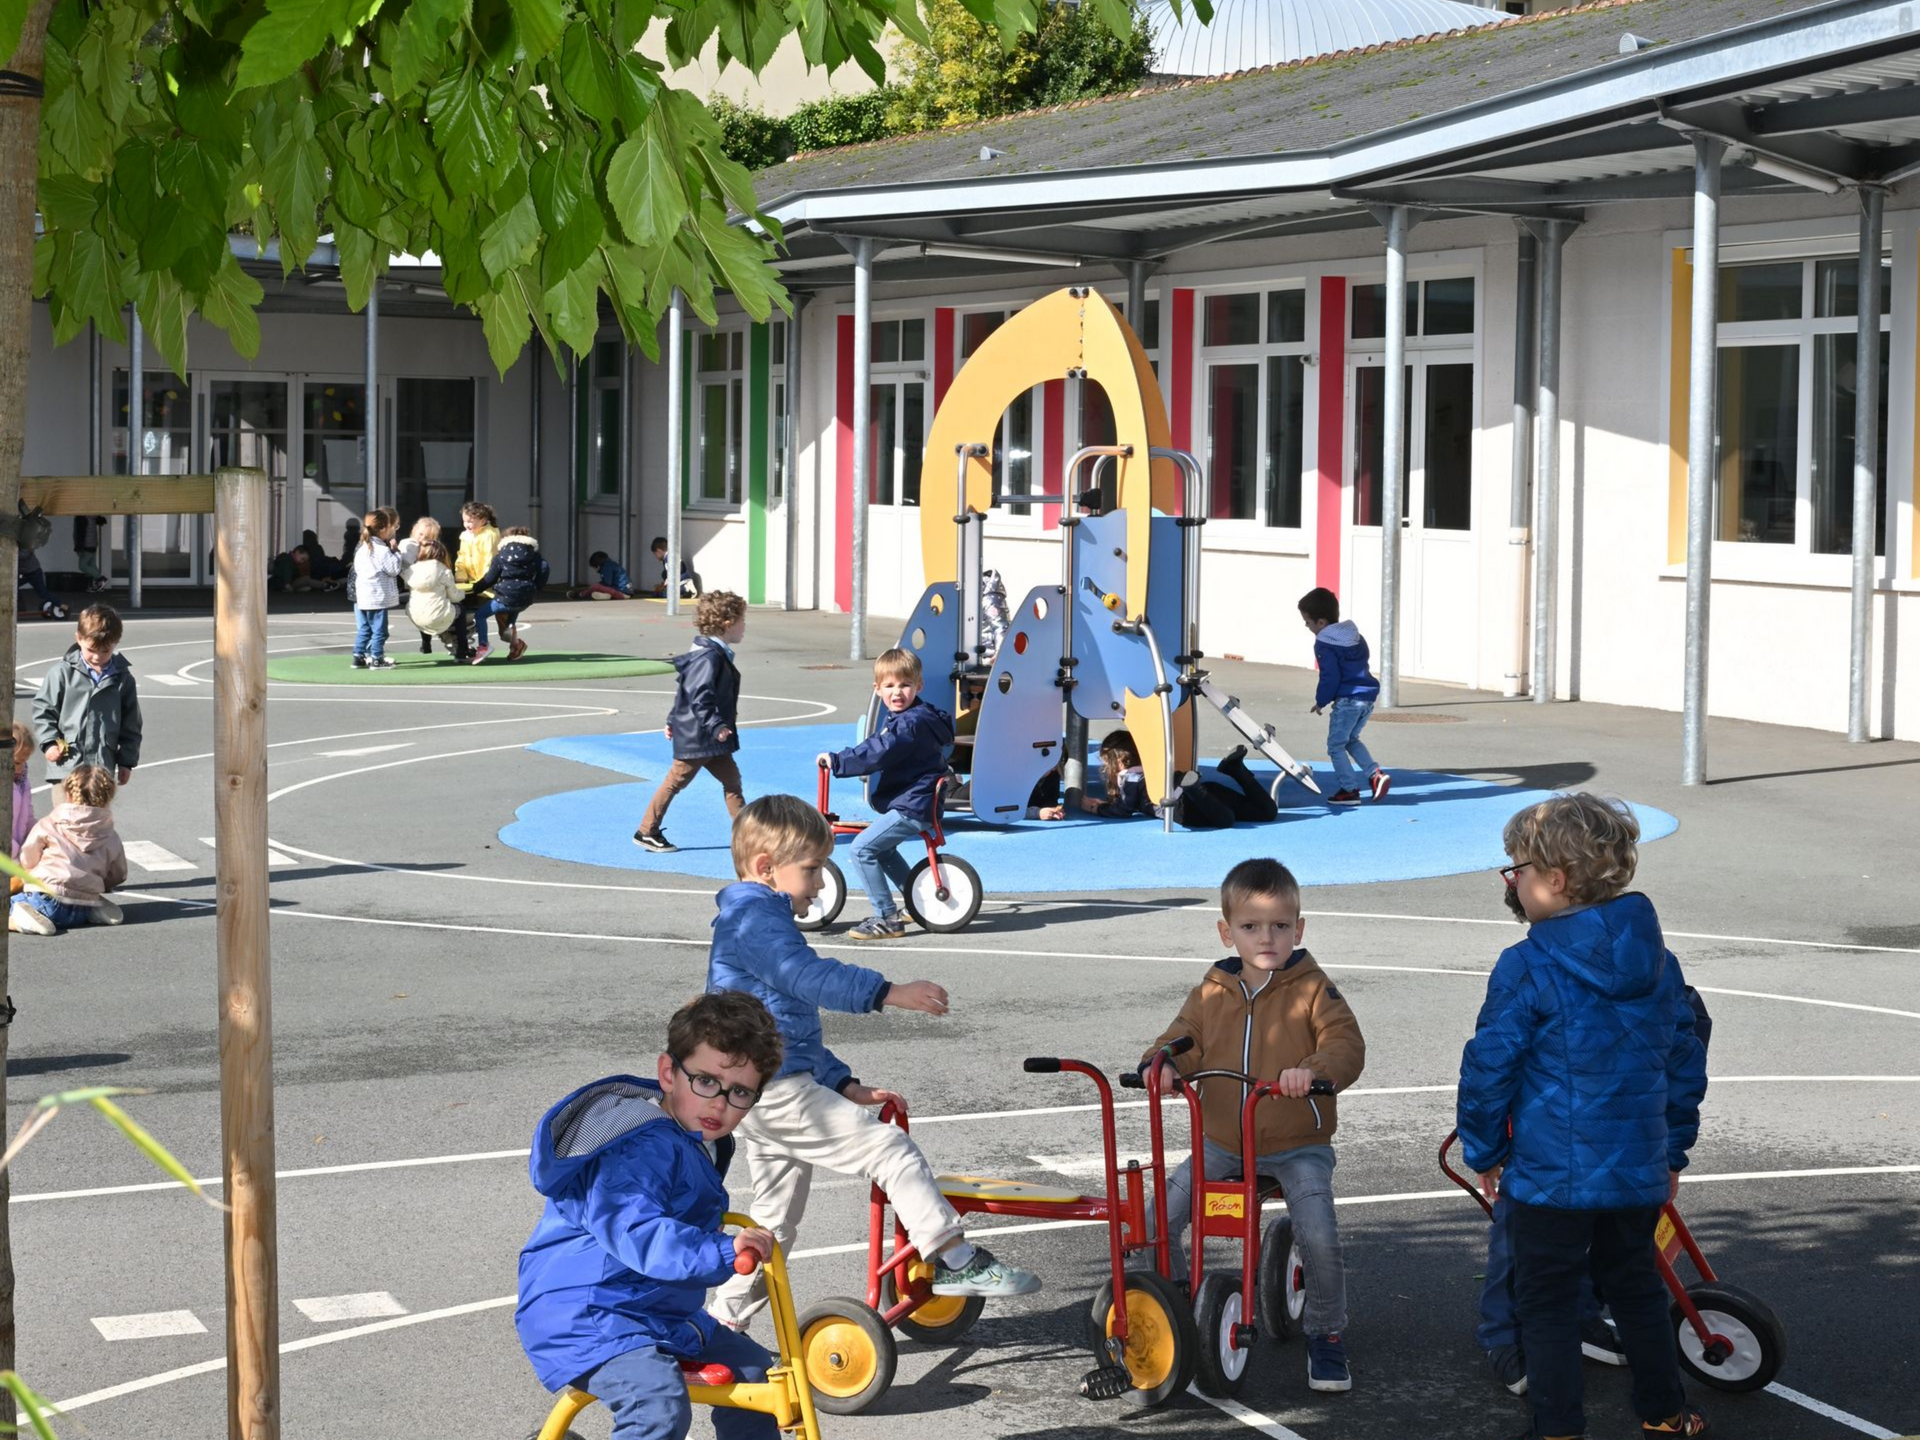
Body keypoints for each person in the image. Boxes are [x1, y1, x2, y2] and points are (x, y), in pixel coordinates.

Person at [706, 794, 1041, 1332]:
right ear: (766, 869)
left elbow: (788, 1024)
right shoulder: (754, 923)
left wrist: (843, 1081)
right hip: (773, 1088)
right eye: (812, 869)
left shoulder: (756, 919)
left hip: (759, 1087)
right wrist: (887, 991)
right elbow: (807, 980)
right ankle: (954, 1258)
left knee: (772, 1222)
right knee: (889, 1151)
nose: (819, 884)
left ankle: (718, 1325)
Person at [1457, 793, 1709, 1440]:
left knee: (1544, 1306)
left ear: (1555, 880)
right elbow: (1684, 1063)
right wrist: (1672, 1152)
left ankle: (1560, 1428)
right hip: (1635, 1170)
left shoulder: (1528, 963)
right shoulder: (1658, 962)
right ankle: (1664, 1414)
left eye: (1517, 870)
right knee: (1636, 1290)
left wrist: (1485, 1152)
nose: (1512, 882)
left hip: (1549, 1176)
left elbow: (1491, 1068)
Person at [514, 990, 785, 1440]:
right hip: (587, 1309)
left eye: (739, 1092)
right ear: (668, 1073)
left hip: (651, 1306)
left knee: (755, 1372)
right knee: (655, 1405)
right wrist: (723, 1249)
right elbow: (638, 1229)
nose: (719, 1103)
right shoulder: (638, 1147)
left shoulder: (696, 1137)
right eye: (706, 1081)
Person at [1142, 857, 1365, 1393]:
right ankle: (1174, 1300)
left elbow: (1345, 1046)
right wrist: (1164, 1064)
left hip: (1297, 1144)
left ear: (1299, 929)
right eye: (1250, 926)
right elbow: (1180, 1038)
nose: (1266, 937)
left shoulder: (1314, 989)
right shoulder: (1212, 991)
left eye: (1279, 926)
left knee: (1318, 1233)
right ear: (1227, 931)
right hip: (1223, 1141)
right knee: (1156, 1217)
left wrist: (1309, 1072)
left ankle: (1327, 1335)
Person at [818, 647, 954, 941]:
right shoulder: (916, 715)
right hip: (918, 799)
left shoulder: (910, 722)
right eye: (890, 686)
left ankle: (887, 917)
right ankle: (917, 899)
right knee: (884, 849)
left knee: (862, 849)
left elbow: (879, 752)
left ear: (919, 685)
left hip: (914, 805)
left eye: (905, 685)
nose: (897, 692)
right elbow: (878, 745)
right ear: (877, 689)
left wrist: (839, 761)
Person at [633, 592, 747, 853]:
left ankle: (745, 835)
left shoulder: (712, 653)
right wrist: (716, 725)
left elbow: (683, 690)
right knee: (675, 781)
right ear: (728, 623)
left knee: (732, 781)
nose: (744, 626)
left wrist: (672, 719)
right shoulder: (709, 657)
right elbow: (699, 695)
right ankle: (646, 830)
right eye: (742, 620)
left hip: (709, 737)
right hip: (701, 736)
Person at [1038, 730, 1275, 831]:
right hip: (1201, 791)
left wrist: (1095, 807)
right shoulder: (1152, 767)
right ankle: (1237, 771)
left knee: (1225, 819)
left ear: (1117, 761)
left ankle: (1192, 788)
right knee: (1267, 812)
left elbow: (1123, 810)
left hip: (1182, 806)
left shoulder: (1130, 777)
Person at [8, 764, 127, 935]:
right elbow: (118, 873)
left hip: (47, 899)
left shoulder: (50, 824)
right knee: (84, 898)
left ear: (69, 795)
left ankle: (23, 918)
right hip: (82, 906)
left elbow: (28, 858)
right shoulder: (111, 835)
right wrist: (97, 886)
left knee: (8, 902)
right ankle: (95, 909)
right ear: (108, 798)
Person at [1298, 586, 1390, 806]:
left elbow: (1330, 675)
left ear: (1321, 622)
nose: (1307, 626)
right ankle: (1374, 774)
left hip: (1348, 700)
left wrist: (1321, 700)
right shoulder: (1355, 636)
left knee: (1335, 745)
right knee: (1350, 740)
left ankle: (1349, 790)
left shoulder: (1324, 642)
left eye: (1308, 622)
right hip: (1366, 697)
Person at [32, 603, 140, 785]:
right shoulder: (61, 673)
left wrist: (126, 762)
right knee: (66, 813)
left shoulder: (123, 678)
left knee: (98, 814)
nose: (97, 657)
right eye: (91, 650)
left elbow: (131, 725)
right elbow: (44, 711)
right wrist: (49, 742)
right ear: (79, 638)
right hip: (67, 766)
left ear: (116, 643)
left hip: (102, 769)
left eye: (105, 651)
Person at [465, 525, 546, 663]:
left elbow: (489, 579)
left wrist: (474, 589)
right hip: (526, 598)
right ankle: (515, 644)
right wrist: (536, 587)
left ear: (504, 540)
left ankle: (484, 646)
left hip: (505, 597)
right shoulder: (535, 556)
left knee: (480, 615)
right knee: (512, 613)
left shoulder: (501, 557)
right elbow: (544, 568)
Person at [351, 509, 404, 670]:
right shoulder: (381, 550)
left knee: (365, 629)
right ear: (383, 529)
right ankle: (376, 658)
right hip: (377, 597)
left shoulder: (362, 549)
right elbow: (394, 569)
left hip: (362, 596)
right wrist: (396, 552)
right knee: (379, 631)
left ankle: (358, 656)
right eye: (389, 527)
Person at [403, 539, 467, 659]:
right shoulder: (443, 571)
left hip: (416, 616)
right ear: (441, 554)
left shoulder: (411, 570)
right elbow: (454, 597)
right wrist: (462, 593)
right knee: (460, 610)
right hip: (437, 615)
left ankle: (426, 644)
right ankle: (462, 650)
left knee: (423, 607)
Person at [400, 517, 445, 653]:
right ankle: (427, 640)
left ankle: (428, 641)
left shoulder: (431, 548)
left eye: (427, 537)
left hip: (426, 583)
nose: (421, 539)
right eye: (420, 534)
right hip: (412, 581)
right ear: (414, 530)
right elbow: (405, 562)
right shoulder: (408, 544)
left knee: (428, 609)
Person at [9, 722, 34, 896]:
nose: (21, 767)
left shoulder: (23, 778)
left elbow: (28, 814)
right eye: (18, 762)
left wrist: (41, 834)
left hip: (16, 856)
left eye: (25, 762)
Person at [73, 515, 108, 593]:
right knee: (92, 566)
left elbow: (80, 533)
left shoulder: (81, 517)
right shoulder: (92, 516)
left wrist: (78, 548)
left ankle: (100, 579)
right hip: (93, 544)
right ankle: (97, 585)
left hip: (86, 545)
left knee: (82, 566)